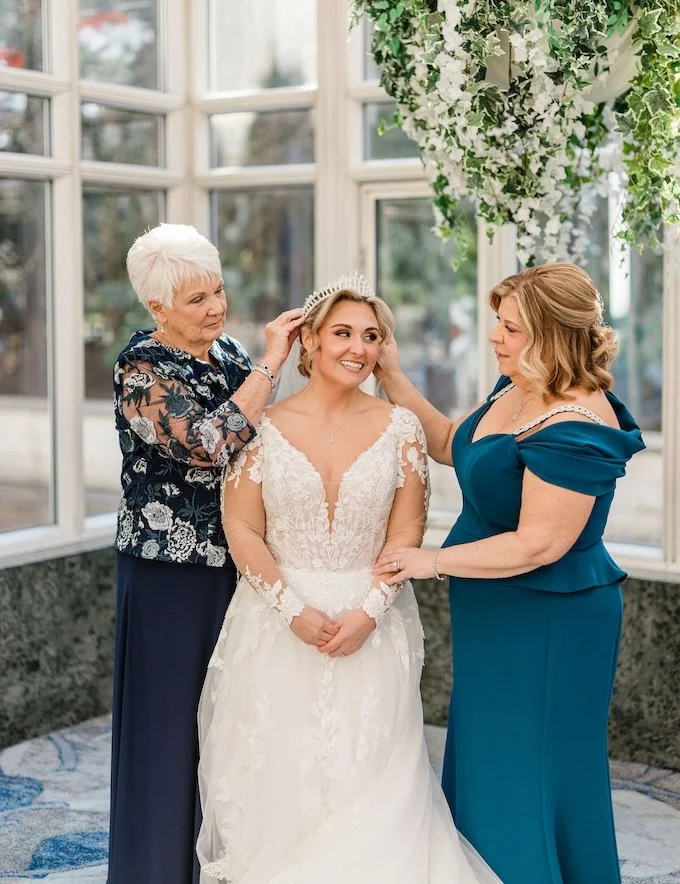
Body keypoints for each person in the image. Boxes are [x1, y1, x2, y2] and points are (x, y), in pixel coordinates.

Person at [196, 275, 501, 884]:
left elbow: (405, 532)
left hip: (373, 623)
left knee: (372, 782)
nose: (357, 348)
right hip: (276, 623)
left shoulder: (401, 428)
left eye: (371, 336)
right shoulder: (261, 425)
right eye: (342, 333)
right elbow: (243, 529)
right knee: (279, 780)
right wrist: (291, 608)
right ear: (308, 340)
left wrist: (369, 610)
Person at [374, 262, 645, 884]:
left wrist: (430, 560)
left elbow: (539, 545)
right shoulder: (518, 385)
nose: (495, 336)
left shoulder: (576, 423)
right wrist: (392, 375)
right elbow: (450, 443)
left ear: (553, 335)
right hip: (494, 613)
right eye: (498, 322)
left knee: (532, 768)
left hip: (548, 618)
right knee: (492, 759)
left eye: (511, 327)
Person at [107, 223, 303, 884]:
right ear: (158, 308)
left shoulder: (226, 351)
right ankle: (152, 870)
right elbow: (210, 442)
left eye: (217, 290)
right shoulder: (141, 369)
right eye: (196, 299)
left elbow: (265, 433)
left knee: (229, 721)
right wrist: (273, 365)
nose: (215, 306)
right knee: (167, 733)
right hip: (168, 575)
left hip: (237, 563)